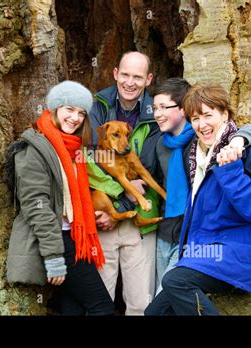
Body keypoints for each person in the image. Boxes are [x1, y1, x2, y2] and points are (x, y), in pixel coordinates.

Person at [145, 83, 251, 315]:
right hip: (208, 250)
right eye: (195, 118)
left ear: (225, 114)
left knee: (176, 281)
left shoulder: (249, 152)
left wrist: (231, 171)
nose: (202, 125)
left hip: (243, 250)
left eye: (208, 115)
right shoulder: (196, 154)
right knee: (154, 312)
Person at [5, 80, 114, 315]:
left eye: (81, 113)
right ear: (55, 109)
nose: (75, 118)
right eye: (69, 109)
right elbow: (37, 207)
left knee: (72, 309)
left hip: (74, 236)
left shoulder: (73, 149)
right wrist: (54, 258)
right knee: (102, 307)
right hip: (59, 241)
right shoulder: (35, 148)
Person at [88, 51, 160, 315]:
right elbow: (90, 157)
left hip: (143, 215)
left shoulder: (157, 113)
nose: (130, 82)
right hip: (106, 216)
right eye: (126, 75)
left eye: (138, 77)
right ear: (116, 74)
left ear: (148, 79)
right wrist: (119, 199)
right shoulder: (97, 107)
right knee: (102, 301)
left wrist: (242, 138)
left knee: (141, 302)